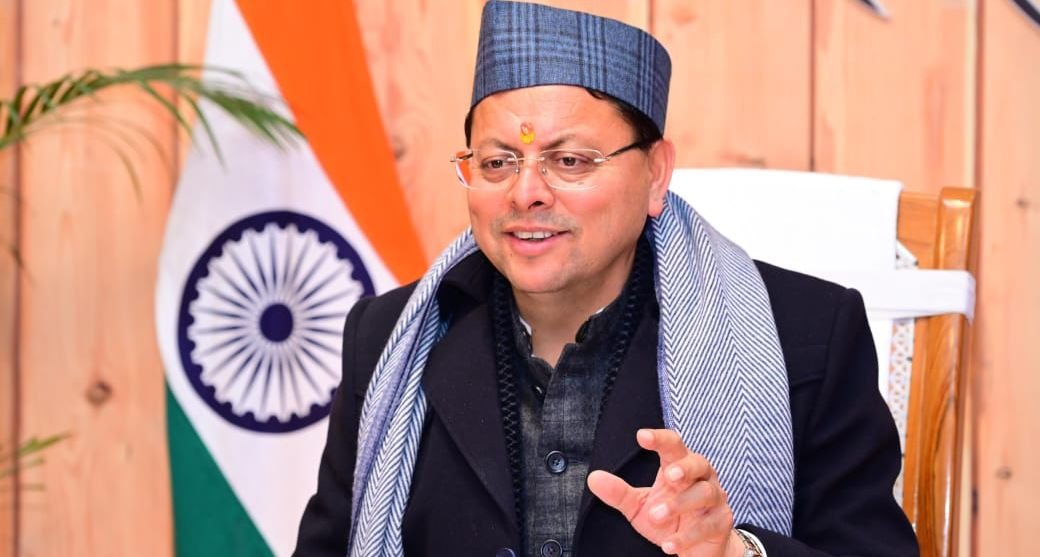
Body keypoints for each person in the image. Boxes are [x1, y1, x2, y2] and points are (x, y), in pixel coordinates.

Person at [294, 2, 919, 556]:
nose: (526, 192)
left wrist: (734, 552)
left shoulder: (805, 335)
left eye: (569, 160)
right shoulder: (389, 336)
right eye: (497, 162)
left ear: (655, 174)